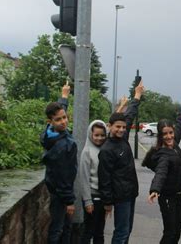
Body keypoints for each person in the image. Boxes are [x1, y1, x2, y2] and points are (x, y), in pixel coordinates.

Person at [98, 80, 145, 244]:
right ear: (110, 126)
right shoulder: (106, 149)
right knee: (121, 232)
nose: (121, 130)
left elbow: (130, 114)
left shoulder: (123, 138)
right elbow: (104, 179)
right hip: (120, 197)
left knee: (127, 230)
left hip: (131, 193)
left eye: (123, 127)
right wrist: (108, 203)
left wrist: (137, 96)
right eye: (117, 127)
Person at [142, 90, 181, 243]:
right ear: (160, 136)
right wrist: (155, 189)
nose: (169, 136)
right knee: (170, 233)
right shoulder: (163, 154)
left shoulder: (173, 143)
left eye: (171, 132)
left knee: (176, 233)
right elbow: (161, 173)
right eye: (165, 134)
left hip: (176, 196)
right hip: (167, 197)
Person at [79, 96, 129, 244]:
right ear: (90, 134)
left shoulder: (106, 148)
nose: (100, 138)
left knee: (99, 232)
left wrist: (121, 107)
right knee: (88, 231)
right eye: (96, 135)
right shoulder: (87, 152)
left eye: (102, 135)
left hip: (104, 198)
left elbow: (113, 125)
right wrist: (87, 201)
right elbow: (83, 178)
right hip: (92, 199)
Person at [40, 82, 77, 244]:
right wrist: (69, 201)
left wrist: (64, 96)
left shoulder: (49, 135)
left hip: (54, 188)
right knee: (59, 228)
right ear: (50, 121)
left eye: (65, 117)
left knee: (61, 227)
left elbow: (59, 110)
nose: (63, 121)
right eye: (58, 119)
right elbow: (65, 174)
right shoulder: (65, 144)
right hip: (61, 193)